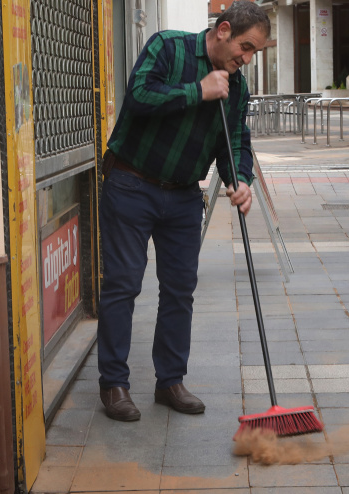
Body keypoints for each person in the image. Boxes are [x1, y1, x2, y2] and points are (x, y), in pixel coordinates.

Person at [97, 2, 270, 422]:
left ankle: (170, 381)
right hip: (131, 183)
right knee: (123, 284)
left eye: (254, 54)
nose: (245, 59)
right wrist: (199, 90)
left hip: (183, 197)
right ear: (224, 30)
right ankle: (114, 384)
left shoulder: (238, 86)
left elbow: (234, 142)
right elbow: (138, 95)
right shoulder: (168, 48)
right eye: (244, 48)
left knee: (179, 289)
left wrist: (239, 179)